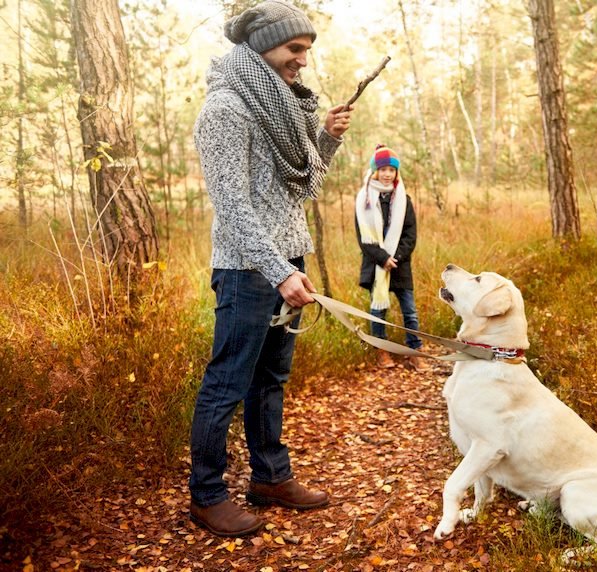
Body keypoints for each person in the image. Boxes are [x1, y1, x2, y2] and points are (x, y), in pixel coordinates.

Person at [189, 1, 352, 538]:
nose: (303, 62)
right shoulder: (227, 109)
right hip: (246, 270)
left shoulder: (278, 106)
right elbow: (233, 207)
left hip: (286, 262)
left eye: (306, 51)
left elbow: (299, 185)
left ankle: (270, 479)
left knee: (270, 381)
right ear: (262, 48)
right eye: (295, 50)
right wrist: (278, 271)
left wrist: (326, 137)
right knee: (227, 384)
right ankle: (207, 496)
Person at [354, 145, 429, 371]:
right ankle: (382, 351)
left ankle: (414, 352)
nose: (387, 174)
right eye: (383, 169)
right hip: (376, 265)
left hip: (400, 265)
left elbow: (410, 234)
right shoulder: (364, 200)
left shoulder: (404, 200)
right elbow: (364, 238)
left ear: (397, 173)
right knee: (378, 311)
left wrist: (395, 257)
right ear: (375, 171)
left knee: (410, 311)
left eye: (391, 170)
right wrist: (383, 258)